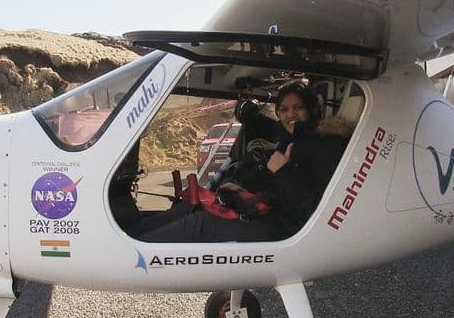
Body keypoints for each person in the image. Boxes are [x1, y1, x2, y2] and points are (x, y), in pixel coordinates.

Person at [133, 81, 354, 242]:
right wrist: (244, 189)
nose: (291, 115)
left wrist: (283, 170)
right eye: (284, 110)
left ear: (312, 111)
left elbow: (316, 205)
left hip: (292, 230)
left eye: (298, 108)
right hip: (273, 216)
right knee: (195, 206)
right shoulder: (290, 142)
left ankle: (135, 251)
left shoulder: (325, 145)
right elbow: (278, 188)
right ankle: (134, 233)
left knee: (199, 224)